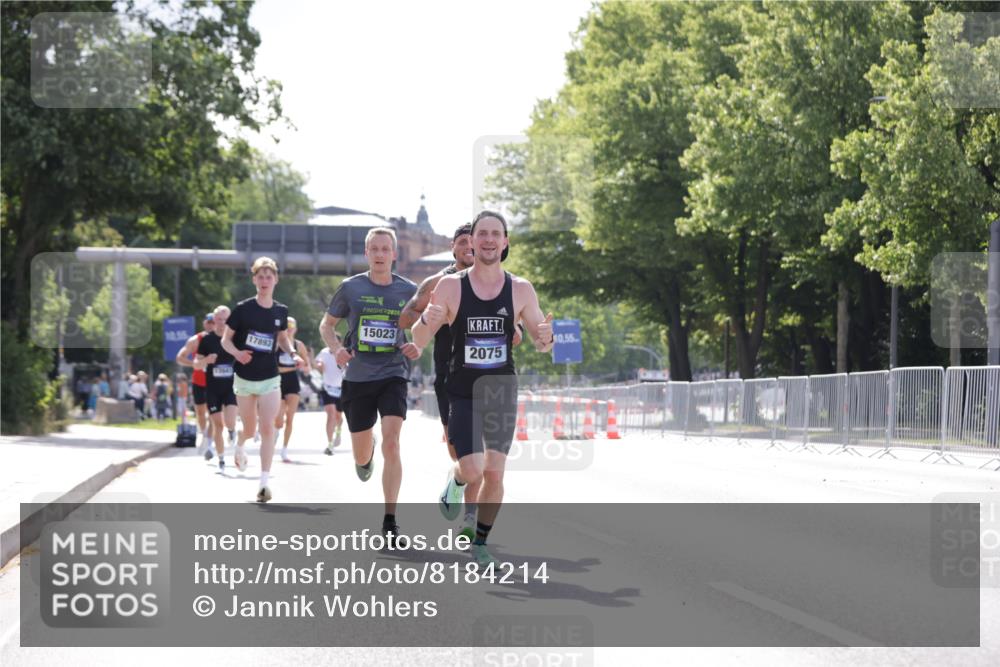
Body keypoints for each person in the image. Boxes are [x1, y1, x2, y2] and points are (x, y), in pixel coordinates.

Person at [412, 210, 554, 567]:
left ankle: (481, 542)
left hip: (501, 389)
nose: (489, 239)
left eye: (496, 233)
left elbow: (540, 339)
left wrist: (547, 338)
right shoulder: (450, 286)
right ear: (471, 243)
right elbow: (419, 337)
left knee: (495, 472)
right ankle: (456, 481)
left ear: (505, 242)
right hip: (462, 388)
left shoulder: (520, 289)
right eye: (482, 234)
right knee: (472, 468)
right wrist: (425, 320)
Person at [318, 227, 420, 541]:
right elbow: (327, 324)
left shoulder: (409, 291)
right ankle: (366, 454)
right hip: (358, 377)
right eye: (373, 249)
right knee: (362, 458)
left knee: (393, 442)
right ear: (367, 254)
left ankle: (390, 521)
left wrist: (418, 345)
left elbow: (426, 325)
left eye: (384, 249)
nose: (379, 254)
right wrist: (336, 349)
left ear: (394, 254)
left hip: (393, 373)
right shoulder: (351, 288)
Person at [222, 256, 302, 502]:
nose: (265, 280)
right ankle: (240, 444)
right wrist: (237, 353)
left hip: (270, 377)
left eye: (269, 276)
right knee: (249, 428)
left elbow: (281, 338)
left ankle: (264, 484)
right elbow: (226, 340)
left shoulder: (281, 311)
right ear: (254, 279)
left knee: (267, 427)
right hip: (245, 378)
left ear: (275, 280)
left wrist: (293, 353)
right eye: (260, 276)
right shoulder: (242, 309)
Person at [195, 305, 239, 471]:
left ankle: (233, 430)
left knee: (229, 421)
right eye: (219, 320)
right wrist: (206, 360)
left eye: (225, 320)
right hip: (212, 389)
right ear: (214, 321)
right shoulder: (206, 340)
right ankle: (221, 459)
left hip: (231, 387)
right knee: (217, 425)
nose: (222, 323)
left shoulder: (235, 339)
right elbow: (196, 365)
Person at [176, 313, 216, 454]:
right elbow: (180, 357)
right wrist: (193, 363)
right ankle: (204, 434)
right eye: (209, 322)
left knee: (213, 413)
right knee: (200, 412)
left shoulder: (223, 338)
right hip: (199, 381)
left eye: (213, 322)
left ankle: (209, 441)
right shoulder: (195, 340)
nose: (211, 324)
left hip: (215, 382)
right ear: (204, 323)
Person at [274, 316, 312, 462]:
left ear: (295, 329)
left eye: (292, 326)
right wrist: (290, 367)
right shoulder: (277, 344)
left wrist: (304, 367)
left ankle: (284, 450)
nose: (289, 329)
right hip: (278, 382)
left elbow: (307, 366)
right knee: (279, 419)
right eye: (287, 326)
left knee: (290, 418)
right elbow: (273, 367)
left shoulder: (298, 345)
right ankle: (276, 432)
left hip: (293, 383)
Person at [313, 342, 345, 455]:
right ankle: (330, 444)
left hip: (341, 389)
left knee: (338, 417)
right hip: (327, 388)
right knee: (331, 415)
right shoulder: (324, 352)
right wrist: (319, 365)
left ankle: (338, 432)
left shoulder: (343, 353)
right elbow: (316, 363)